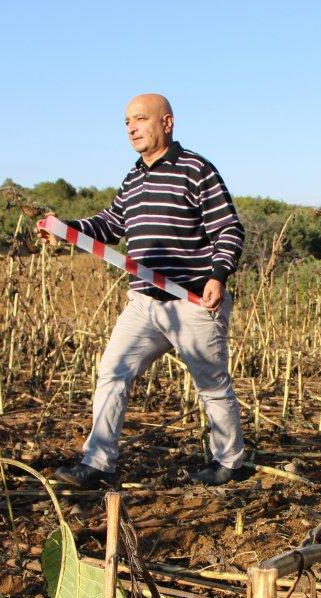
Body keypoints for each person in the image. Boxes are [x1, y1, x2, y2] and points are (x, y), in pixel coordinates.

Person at [38, 93, 246, 488]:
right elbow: (110, 225)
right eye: (127, 122)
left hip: (192, 302)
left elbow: (228, 229)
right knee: (112, 373)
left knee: (212, 385)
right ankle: (98, 462)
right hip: (144, 304)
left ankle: (230, 461)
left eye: (140, 119)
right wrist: (66, 229)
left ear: (166, 123)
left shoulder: (196, 170)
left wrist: (218, 275)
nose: (131, 127)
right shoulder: (134, 177)